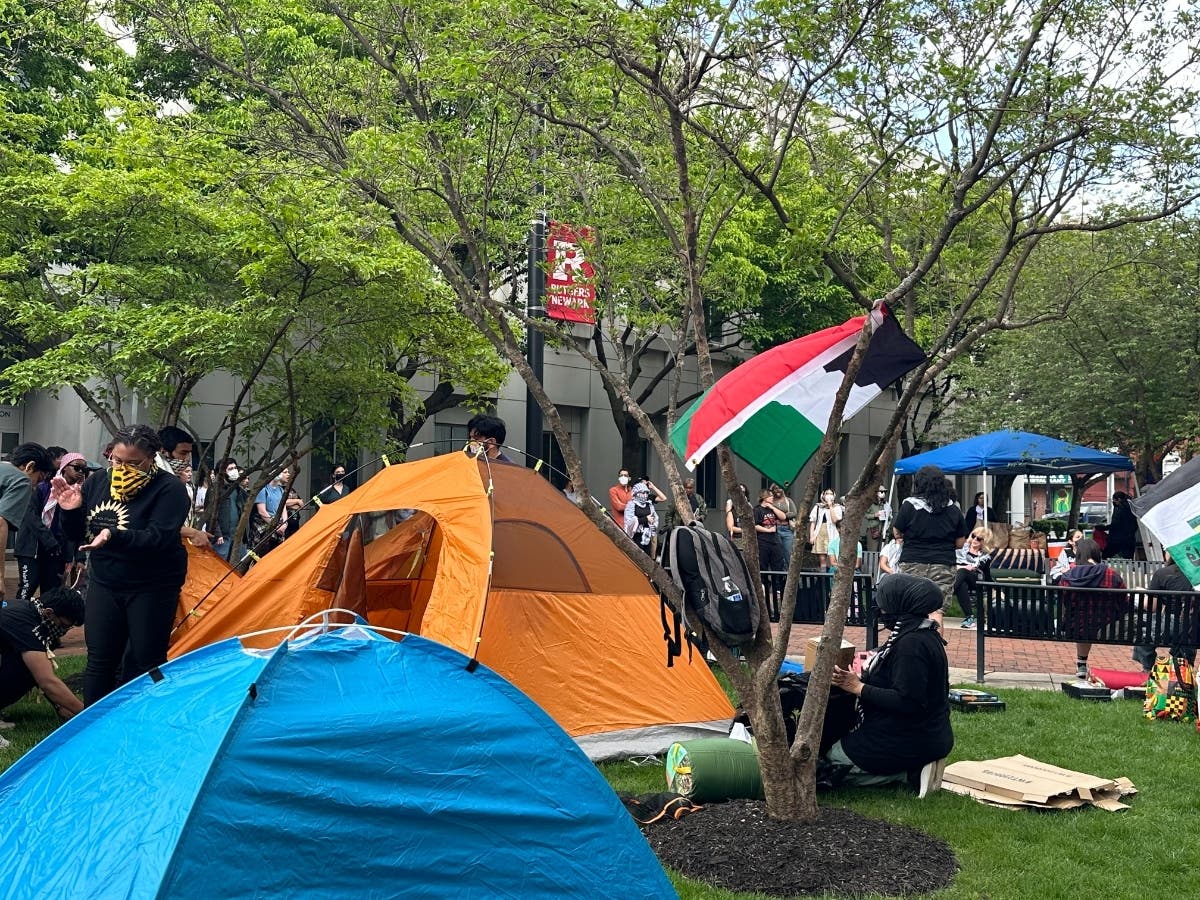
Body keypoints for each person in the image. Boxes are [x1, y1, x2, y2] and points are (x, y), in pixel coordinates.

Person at [57, 424, 191, 705]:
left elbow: (159, 538)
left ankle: (142, 721)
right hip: (106, 582)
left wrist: (112, 535)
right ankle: (92, 727)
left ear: (151, 458)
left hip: (152, 585)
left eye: (132, 463)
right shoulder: (98, 482)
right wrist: (69, 512)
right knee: (100, 659)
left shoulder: (170, 489)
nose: (121, 468)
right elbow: (77, 534)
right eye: (116, 460)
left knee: (144, 659)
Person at [825, 574, 953, 797]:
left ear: (901, 604)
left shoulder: (911, 644)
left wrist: (858, 687)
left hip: (909, 736)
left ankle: (908, 773)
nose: (881, 610)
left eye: (885, 604)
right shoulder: (916, 633)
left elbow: (908, 701)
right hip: (919, 731)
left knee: (829, 764)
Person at [0, 587, 86, 728]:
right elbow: (47, 681)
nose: (63, 631)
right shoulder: (27, 625)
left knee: (30, 663)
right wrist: (86, 714)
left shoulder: (29, 610)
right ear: (49, 612)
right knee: (26, 667)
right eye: (64, 625)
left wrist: (59, 704)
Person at [893, 465, 967, 628]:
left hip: (912, 562)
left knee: (910, 608)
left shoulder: (909, 505)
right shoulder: (953, 509)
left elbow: (897, 532)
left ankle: (910, 650)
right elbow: (960, 543)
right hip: (943, 564)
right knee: (936, 611)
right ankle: (935, 651)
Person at [1058, 538, 1130, 680]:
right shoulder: (1111, 575)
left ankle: (1081, 664)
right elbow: (1124, 603)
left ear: (1079, 555)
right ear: (1097, 554)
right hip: (1107, 628)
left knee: (1083, 620)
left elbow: (1063, 602)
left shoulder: (1068, 576)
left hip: (1075, 627)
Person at [0, 444, 54, 607]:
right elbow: (0, 523)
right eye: (38, 479)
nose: (35, 486)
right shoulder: (20, 479)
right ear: (30, 466)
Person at [1131, 551, 1198, 674]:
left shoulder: (1163, 573)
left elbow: (1151, 606)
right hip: (1195, 628)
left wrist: (1145, 593)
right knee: (1189, 628)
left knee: (1145, 630)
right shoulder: (1196, 576)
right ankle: (1183, 669)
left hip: (1171, 625)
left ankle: (1147, 669)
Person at [953, 527, 994, 629]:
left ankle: (947, 591)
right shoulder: (960, 549)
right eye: (973, 536)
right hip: (960, 579)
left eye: (979, 539)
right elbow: (951, 564)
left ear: (984, 542)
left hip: (976, 581)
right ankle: (969, 618)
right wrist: (963, 567)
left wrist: (994, 588)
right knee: (961, 585)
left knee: (963, 571)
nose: (975, 540)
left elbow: (987, 575)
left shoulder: (984, 557)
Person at [212, 458, 248, 561]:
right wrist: (218, 534)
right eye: (230, 468)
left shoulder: (239, 490)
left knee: (238, 567)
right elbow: (210, 514)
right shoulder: (215, 489)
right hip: (223, 537)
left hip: (238, 537)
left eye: (235, 468)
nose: (234, 471)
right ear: (223, 472)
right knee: (220, 566)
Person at [808, 488, 844, 569]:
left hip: (832, 534)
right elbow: (813, 522)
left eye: (831, 493)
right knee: (822, 558)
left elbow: (835, 520)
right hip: (820, 533)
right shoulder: (818, 507)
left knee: (831, 557)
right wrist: (812, 536)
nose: (828, 495)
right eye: (827, 493)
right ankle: (823, 578)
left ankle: (831, 576)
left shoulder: (837, 507)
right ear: (823, 495)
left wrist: (830, 505)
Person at [623, 482, 660, 556]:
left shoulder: (649, 505)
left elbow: (655, 518)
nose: (645, 495)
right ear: (636, 493)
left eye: (646, 493)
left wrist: (653, 525)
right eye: (643, 493)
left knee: (647, 556)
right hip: (636, 537)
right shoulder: (631, 505)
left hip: (647, 536)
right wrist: (645, 519)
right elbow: (629, 523)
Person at [1105, 491, 1138, 559]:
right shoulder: (1131, 507)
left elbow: (1116, 524)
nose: (1113, 502)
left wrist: (1103, 528)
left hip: (1117, 539)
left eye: (1114, 500)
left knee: (1106, 556)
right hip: (1130, 538)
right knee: (1128, 559)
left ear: (1119, 499)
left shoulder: (1120, 508)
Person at [769, 484, 798, 559]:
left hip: (787, 529)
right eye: (775, 488)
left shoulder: (788, 500)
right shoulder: (770, 501)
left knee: (788, 552)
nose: (778, 490)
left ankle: (787, 570)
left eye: (780, 488)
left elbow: (794, 513)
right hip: (775, 529)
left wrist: (782, 515)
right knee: (777, 553)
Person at [863, 486, 891, 553]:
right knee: (873, 551)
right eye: (881, 492)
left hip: (884, 530)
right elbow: (865, 515)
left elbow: (890, 516)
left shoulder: (886, 504)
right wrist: (874, 515)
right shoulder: (870, 503)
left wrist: (887, 515)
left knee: (884, 551)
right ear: (876, 493)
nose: (883, 493)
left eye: (884, 492)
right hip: (873, 530)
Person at [725, 483, 750, 551]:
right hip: (736, 538)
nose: (741, 494)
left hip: (747, 539)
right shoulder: (731, 506)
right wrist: (745, 530)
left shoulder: (749, 506)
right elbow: (730, 527)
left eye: (743, 492)